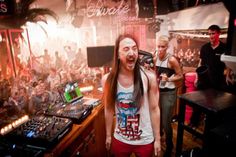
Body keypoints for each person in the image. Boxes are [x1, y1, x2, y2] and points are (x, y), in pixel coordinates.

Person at [102, 34, 161, 157]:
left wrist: (158, 139)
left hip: (144, 138)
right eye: (126, 49)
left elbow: (154, 109)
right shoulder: (108, 80)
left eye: (134, 48)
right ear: (117, 55)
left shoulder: (149, 77)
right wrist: (108, 135)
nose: (131, 52)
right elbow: (108, 108)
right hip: (120, 138)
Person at [190, 24, 234, 127]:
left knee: (215, 105)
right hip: (204, 79)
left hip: (217, 80)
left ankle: (212, 126)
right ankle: (193, 123)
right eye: (209, 34)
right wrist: (197, 77)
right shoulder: (204, 47)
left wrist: (227, 75)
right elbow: (200, 63)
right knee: (198, 102)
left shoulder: (224, 47)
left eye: (213, 33)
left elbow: (228, 65)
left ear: (219, 34)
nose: (211, 36)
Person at [154, 35, 183, 157]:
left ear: (167, 47)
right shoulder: (155, 57)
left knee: (166, 121)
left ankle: (170, 145)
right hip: (158, 92)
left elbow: (180, 75)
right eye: (158, 46)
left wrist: (169, 79)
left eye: (163, 47)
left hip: (169, 92)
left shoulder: (171, 60)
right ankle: (159, 140)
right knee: (158, 118)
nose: (160, 49)